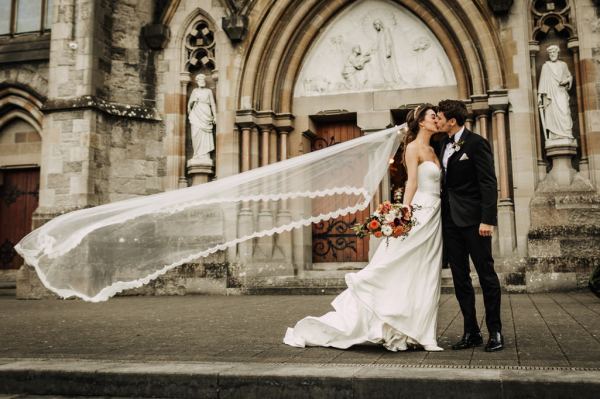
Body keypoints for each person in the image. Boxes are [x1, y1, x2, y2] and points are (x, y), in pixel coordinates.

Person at [284, 104, 444, 352]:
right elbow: (411, 183)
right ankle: (394, 321)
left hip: (436, 214)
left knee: (427, 271)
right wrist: (403, 213)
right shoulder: (413, 149)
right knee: (403, 265)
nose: (438, 120)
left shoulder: (435, 149)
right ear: (421, 122)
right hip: (420, 213)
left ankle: (423, 332)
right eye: (433, 117)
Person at [435, 99, 503, 352]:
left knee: (486, 276)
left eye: (440, 117)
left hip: (475, 222)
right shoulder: (442, 143)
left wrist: (488, 220)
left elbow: (488, 183)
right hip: (450, 221)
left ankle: (495, 331)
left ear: (452, 120)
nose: (437, 120)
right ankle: (471, 331)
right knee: (460, 278)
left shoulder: (476, 144)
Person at [537, 45, 574, 142]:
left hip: (561, 92)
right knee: (552, 113)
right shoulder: (546, 66)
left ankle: (566, 134)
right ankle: (554, 135)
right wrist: (539, 96)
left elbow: (569, 77)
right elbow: (542, 82)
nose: (552, 54)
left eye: (554, 52)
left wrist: (566, 81)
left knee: (565, 111)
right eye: (550, 53)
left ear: (558, 53)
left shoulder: (563, 65)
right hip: (551, 95)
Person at [187, 73, 217, 162]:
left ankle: (205, 155)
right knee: (195, 133)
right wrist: (193, 101)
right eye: (200, 80)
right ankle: (197, 154)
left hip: (206, 113)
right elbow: (189, 105)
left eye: (203, 80)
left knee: (205, 134)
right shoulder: (194, 91)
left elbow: (213, 104)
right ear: (197, 82)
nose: (202, 82)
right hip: (196, 114)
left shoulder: (208, 91)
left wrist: (215, 116)